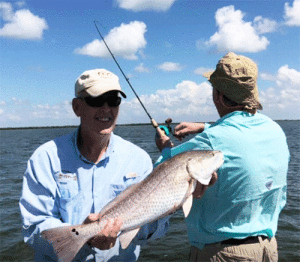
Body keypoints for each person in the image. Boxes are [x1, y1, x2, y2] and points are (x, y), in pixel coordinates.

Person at [19, 68, 169, 261]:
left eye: (114, 100)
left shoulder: (138, 158)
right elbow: (33, 228)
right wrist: (84, 237)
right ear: (77, 107)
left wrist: (169, 206)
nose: (106, 109)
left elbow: (150, 232)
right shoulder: (45, 157)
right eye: (96, 100)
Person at [155, 52, 290, 261]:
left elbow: (161, 175)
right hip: (268, 249)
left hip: (224, 254)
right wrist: (203, 126)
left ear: (218, 96)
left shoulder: (213, 139)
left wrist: (164, 148)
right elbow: (239, 138)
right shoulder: (274, 130)